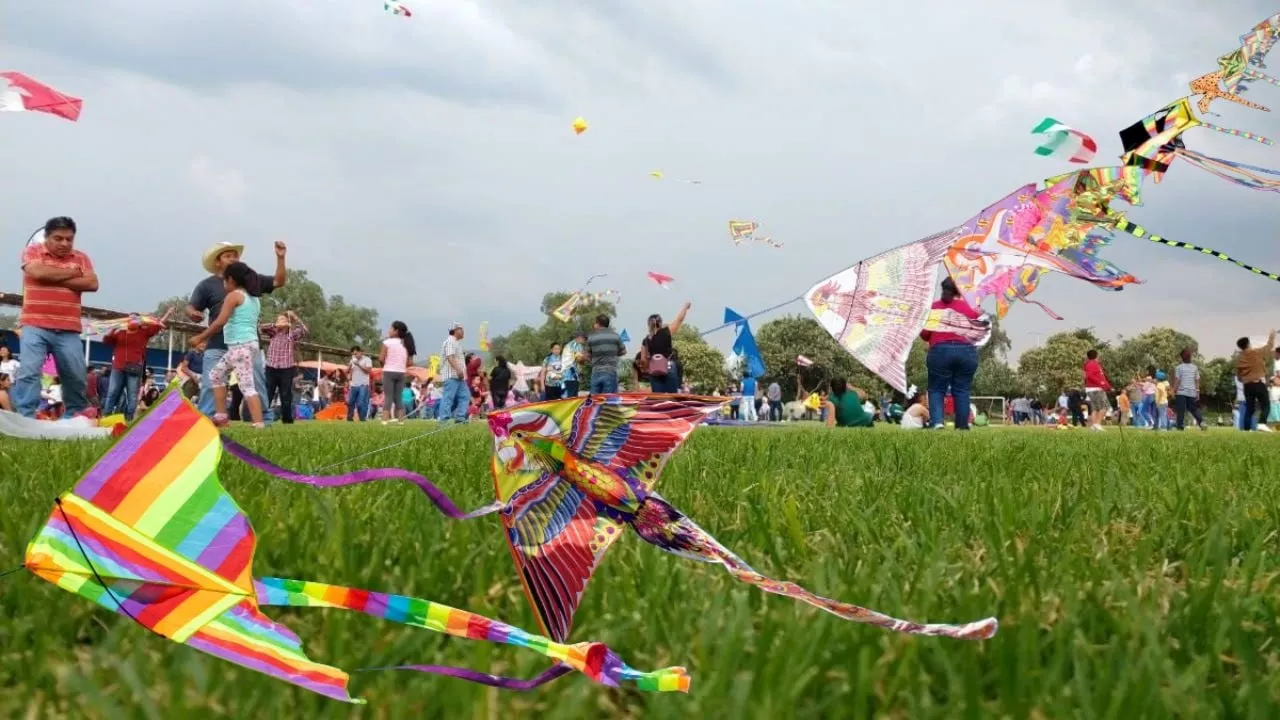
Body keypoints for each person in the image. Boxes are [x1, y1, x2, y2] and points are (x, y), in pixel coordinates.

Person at [187, 240, 287, 418]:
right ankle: (209, 418)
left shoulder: (250, 281)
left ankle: (262, 417)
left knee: (255, 382)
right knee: (212, 380)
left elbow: (279, 281)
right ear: (217, 262)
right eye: (228, 256)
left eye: (235, 255)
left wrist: (280, 258)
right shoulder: (206, 285)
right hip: (218, 343)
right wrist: (193, 312)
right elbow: (192, 307)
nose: (233, 258)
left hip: (245, 342)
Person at [15, 217, 98, 418]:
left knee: (76, 375)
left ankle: (75, 415)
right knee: (29, 371)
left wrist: (50, 276)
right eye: (58, 238)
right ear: (47, 237)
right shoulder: (33, 251)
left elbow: (92, 283)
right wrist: (72, 274)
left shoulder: (82, 258)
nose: (64, 243)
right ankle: (25, 416)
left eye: (69, 239)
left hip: (68, 328)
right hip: (35, 324)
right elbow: (37, 272)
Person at [189, 262, 267, 428]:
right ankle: (221, 416)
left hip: (240, 346)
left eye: (224, 280)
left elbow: (219, 322)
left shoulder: (234, 296)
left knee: (247, 386)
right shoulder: (253, 298)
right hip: (245, 345)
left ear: (230, 280)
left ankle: (259, 424)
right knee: (216, 375)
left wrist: (200, 338)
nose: (223, 284)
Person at [919, 278, 984, 430]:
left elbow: (924, 334)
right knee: (962, 389)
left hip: (940, 352)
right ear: (959, 291)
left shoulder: (934, 308)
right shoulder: (970, 308)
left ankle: (937, 423)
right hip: (966, 352)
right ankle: (962, 425)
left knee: (936, 388)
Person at [103, 310, 171, 422]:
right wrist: (114, 328)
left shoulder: (144, 332)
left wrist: (167, 314)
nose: (132, 321)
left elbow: (157, 325)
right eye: (130, 318)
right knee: (112, 393)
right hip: (118, 368)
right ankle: (106, 417)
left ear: (139, 321)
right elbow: (106, 341)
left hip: (133, 369)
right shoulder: (120, 332)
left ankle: (129, 420)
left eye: (135, 319)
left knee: (132, 396)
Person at [260, 310, 308, 424]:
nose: (280, 322)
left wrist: (295, 317)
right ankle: (262, 418)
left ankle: (287, 419)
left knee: (285, 394)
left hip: (286, 368)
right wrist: (275, 324)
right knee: (268, 393)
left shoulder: (292, 334)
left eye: (283, 320)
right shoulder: (273, 332)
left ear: (288, 322)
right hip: (271, 367)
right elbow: (260, 327)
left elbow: (305, 331)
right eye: (278, 319)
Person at [642, 301, 691, 393]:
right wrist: (685, 307)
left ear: (649, 324)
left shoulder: (646, 340)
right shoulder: (666, 331)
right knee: (672, 397)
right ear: (660, 323)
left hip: (654, 370)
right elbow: (679, 319)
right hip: (669, 366)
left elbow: (643, 360)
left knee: (658, 398)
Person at [1235, 331, 1276, 432]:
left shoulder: (1239, 358)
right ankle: (1262, 423)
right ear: (1248, 344)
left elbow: (1239, 376)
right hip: (1258, 383)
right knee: (1266, 404)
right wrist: (1272, 336)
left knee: (1250, 408)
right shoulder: (1256, 352)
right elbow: (1269, 346)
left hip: (1247, 386)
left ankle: (1246, 429)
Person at [378, 320, 415, 424]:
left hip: (388, 371)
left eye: (391, 328)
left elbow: (381, 358)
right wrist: (400, 364)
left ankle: (384, 421)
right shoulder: (406, 344)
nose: (389, 330)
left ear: (396, 331)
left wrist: (385, 366)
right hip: (401, 373)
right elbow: (410, 362)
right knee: (398, 397)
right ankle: (401, 421)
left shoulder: (387, 342)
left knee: (388, 396)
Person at [585, 315, 626, 394]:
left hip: (596, 371)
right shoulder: (615, 336)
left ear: (598, 324)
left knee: (595, 400)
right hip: (610, 371)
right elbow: (623, 351)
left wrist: (593, 360)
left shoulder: (591, 337)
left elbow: (586, 356)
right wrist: (613, 354)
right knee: (609, 401)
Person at [438, 323, 469, 423]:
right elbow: (450, 357)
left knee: (465, 395)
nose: (463, 331)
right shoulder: (450, 341)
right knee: (448, 397)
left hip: (459, 376)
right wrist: (458, 370)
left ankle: (460, 417)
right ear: (455, 330)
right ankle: (444, 419)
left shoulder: (457, 343)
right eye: (461, 329)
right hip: (451, 375)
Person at [1173, 348, 1207, 431]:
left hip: (1181, 392)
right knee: (1194, 409)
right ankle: (1201, 422)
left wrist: (1174, 390)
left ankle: (1180, 427)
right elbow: (1197, 380)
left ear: (1182, 358)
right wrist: (1197, 392)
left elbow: (1177, 380)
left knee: (1180, 410)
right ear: (1190, 357)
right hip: (1192, 392)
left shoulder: (1178, 368)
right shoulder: (1194, 368)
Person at [1082, 349, 1112, 432]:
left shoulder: (1092, 364)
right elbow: (1090, 376)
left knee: (1095, 408)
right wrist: (1102, 384)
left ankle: (1094, 426)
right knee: (1105, 406)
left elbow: (1099, 376)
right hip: (1095, 388)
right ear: (1096, 355)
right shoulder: (1092, 364)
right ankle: (1097, 424)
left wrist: (1107, 386)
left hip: (1092, 388)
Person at [346, 346, 373, 421]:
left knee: (361, 403)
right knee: (350, 402)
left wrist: (358, 364)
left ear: (360, 352)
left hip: (363, 385)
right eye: (353, 354)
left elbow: (368, 371)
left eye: (356, 353)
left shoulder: (367, 359)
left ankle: (362, 419)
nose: (355, 355)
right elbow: (346, 372)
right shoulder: (352, 361)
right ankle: (349, 418)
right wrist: (350, 365)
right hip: (353, 384)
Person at [562, 331, 586, 398]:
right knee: (572, 399)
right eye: (584, 339)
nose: (585, 341)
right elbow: (579, 360)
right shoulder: (577, 345)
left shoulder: (568, 345)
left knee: (568, 398)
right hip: (572, 375)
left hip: (565, 375)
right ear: (580, 338)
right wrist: (585, 357)